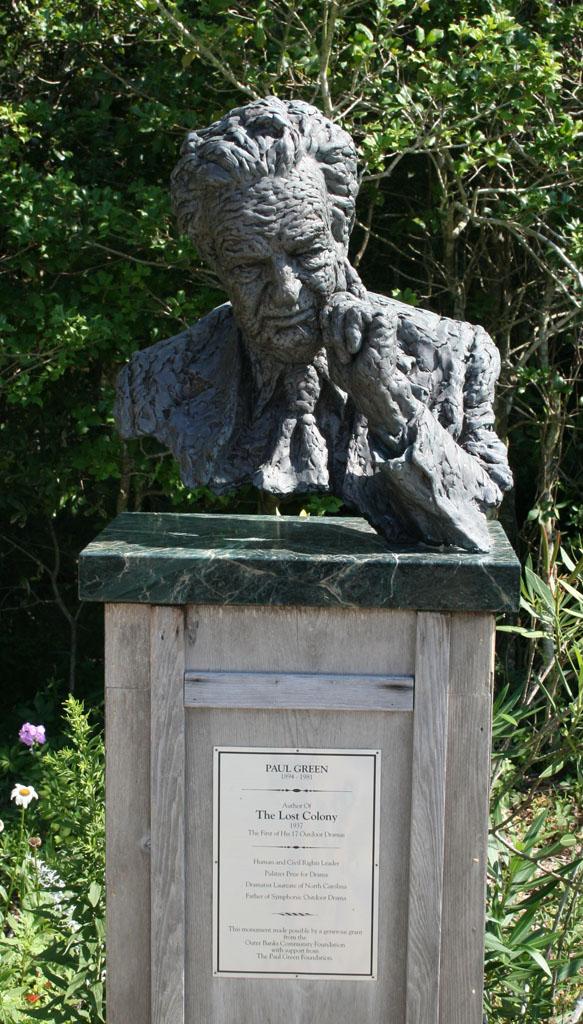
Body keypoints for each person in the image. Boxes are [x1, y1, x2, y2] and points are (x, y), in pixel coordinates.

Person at [115, 97, 512, 551]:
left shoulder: (455, 356)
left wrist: (388, 404)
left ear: (340, 233)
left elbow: (475, 524)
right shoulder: (154, 382)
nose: (286, 290)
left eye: (306, 253)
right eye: (249, 266)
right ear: (215, 262)